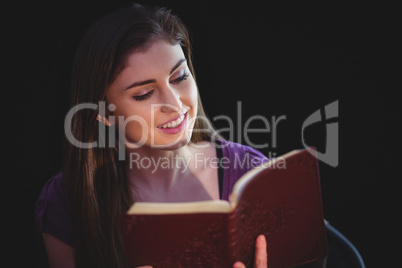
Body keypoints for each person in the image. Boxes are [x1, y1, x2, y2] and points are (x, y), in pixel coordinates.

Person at [35, 3, 271, 268]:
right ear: (104, 114)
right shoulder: (67, 200)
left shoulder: (253, 173)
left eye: (180, 76)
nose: (175, 104)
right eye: (144, 94)